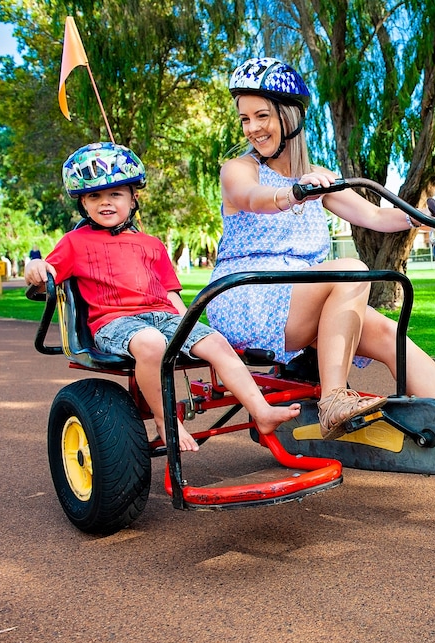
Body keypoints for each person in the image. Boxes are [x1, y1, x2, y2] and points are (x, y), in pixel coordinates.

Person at [211, 57, 435, 442]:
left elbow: (373, 215)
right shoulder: (240, 168)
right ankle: (334, 400)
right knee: (350, 268)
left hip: (300, 296)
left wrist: (415, 217)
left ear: (290, 116)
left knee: (389, 333)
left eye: (261, 116)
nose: (252, 128)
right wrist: (293, 193)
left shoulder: (319, 175)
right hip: (248, 295)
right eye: (244, 119)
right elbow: (251, 197)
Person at [24, 142, 300, 451]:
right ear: (83, 204)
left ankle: (261, 412)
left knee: (217, 343)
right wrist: (35, 266)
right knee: (152, 342)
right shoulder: (74, 242)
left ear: (133, 198)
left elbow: (171, 295)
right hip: (114, 322)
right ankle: (165, 419)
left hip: (163, 316)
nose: (105, 202)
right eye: (94, 196)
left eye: (115, 194)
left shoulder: (151, 244)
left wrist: (189, 327)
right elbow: (43, 274)